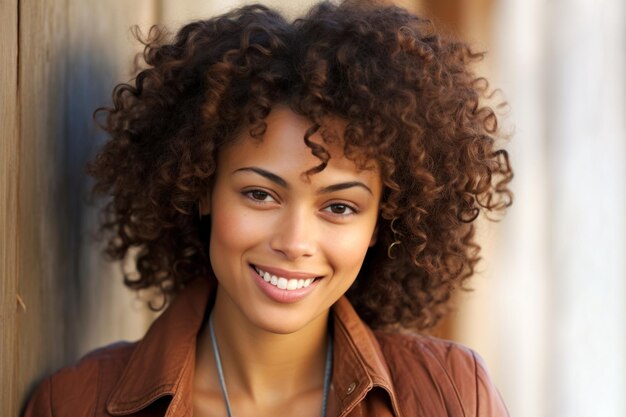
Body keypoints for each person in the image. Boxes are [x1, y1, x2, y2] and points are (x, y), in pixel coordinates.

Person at [23, 1, 513, 416]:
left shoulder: (450, 394)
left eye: (339, 206)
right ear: (200, 188)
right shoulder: (75, 402)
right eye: (260, 194)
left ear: (381, 222)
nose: (295, 241)